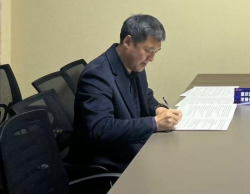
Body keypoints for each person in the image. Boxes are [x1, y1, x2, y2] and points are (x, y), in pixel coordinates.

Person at [70, 14, 182, 172]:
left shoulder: (135, 64)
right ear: (128, 42)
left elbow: (145, 95)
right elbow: (101, 128)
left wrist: (158, 109)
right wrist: (154, 123)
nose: (151, 58)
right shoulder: (96, 75)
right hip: (110, 161)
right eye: (148, 51)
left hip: (133, 146)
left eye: (156, 52)